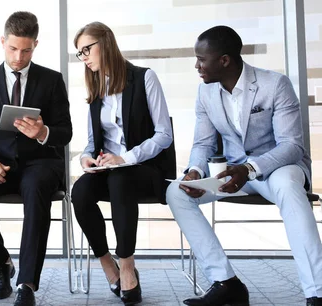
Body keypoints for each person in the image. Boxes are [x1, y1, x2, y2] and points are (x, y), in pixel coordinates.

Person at [166, 25, 322, 306]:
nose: (197, 66)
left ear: (224, 60)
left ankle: (317, 292)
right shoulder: (205, 94)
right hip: (233, 172)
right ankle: (226, 283)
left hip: (278, 167)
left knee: (288, 187)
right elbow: (203, 144)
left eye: (202, 59)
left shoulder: (275, 84)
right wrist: (196, 172)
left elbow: (291, 146)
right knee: (177, 192)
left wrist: (250, 169)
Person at [0, 11, 72, 306]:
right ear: (2, 42)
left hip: (41, 163)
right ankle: (2, 263)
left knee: (36, 190)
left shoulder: (51, 80)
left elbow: (66, 131)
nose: (19, 57)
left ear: (35, 44)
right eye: (13, 49)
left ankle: (26, 284)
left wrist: (43, 131)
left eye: (26, 50)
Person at [71, 22, 173, 305]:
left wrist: (125, 158)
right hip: (109, 167)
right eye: (80, 53)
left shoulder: (144, 78)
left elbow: (164, 135)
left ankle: (126, 264)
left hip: (143, 168)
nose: (84, 58)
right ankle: (107, 263)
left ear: (106, 43)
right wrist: (86, 158)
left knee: (121, 179)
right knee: (79, 192)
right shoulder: (95, 86)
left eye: (87, 50)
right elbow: (93, 142)